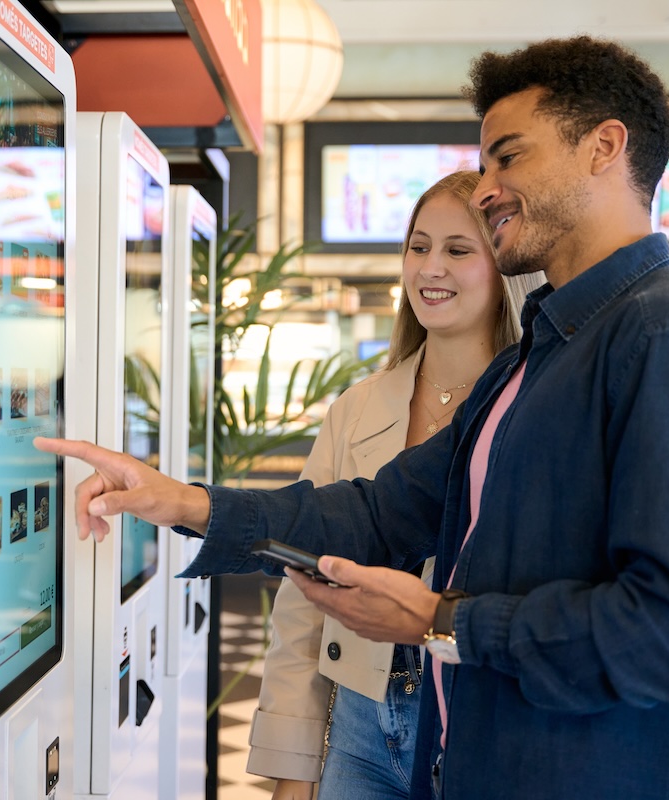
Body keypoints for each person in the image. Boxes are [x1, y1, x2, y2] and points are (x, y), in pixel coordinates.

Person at [36, 35, 669, 799]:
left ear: (604, 147)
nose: (489, 185)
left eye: (509, 157)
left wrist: (444, 620)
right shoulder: (536, 358)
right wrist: (183, 501)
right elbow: (379, 512)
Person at [253, 171, 540, 800]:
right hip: (358, 727)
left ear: (505, 269)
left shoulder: (538, 406)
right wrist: (293, 770)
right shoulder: (356, 409)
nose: (431, 268)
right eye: (418, 246)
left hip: (484, 723)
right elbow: (302, 598)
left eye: (459, 250)